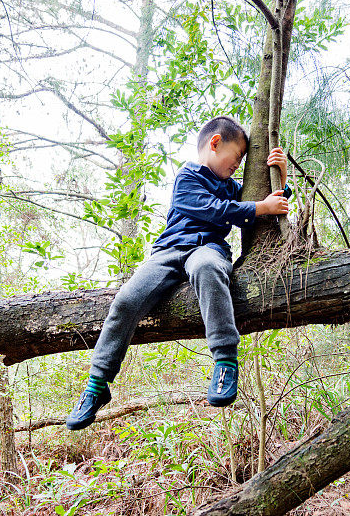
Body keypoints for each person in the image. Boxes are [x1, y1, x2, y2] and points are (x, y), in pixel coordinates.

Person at [66, 115, 290, 430]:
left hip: (207, 250)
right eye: (236, 157)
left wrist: (281, 173)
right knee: (127, 300)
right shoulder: (188, 176)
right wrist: (259, 207)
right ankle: (97, 385)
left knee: (208, 267)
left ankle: (225, 361)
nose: (238, 165)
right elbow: (217, 209)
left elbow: (267, 204)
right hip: (168, 251)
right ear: (215, 143)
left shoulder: (232, 187)